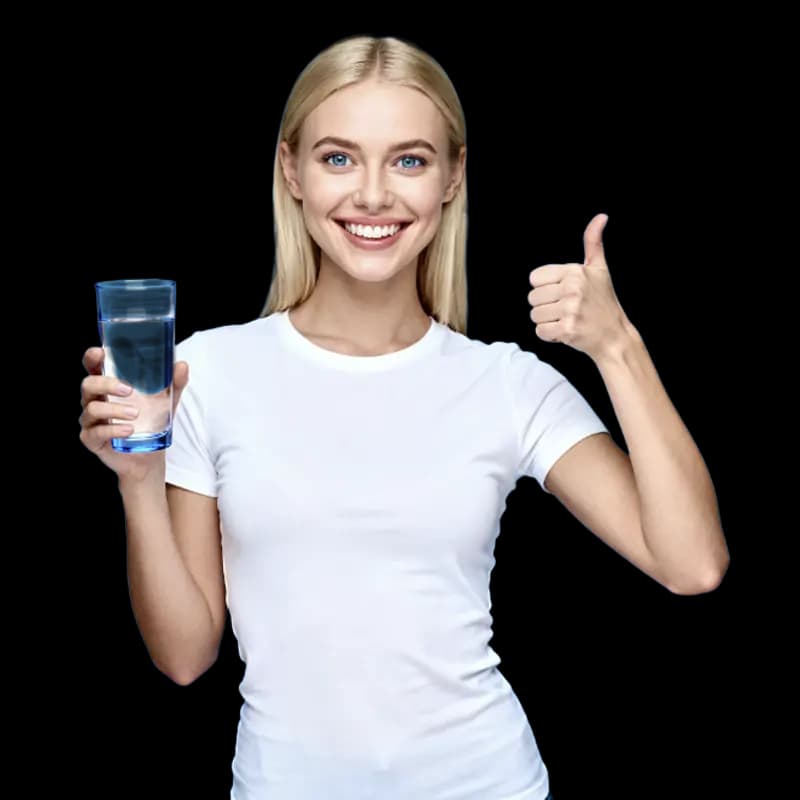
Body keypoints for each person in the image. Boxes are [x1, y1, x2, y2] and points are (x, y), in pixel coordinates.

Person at [79, 34, 729, 800]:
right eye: (339, 158)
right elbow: (184, 656)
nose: (375, 196)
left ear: (453, 178)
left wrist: (617, 346)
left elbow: (692, 565)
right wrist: (138, 481)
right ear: (291, 170)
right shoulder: (206, 373)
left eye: (410, 160)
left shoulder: (506, 384)